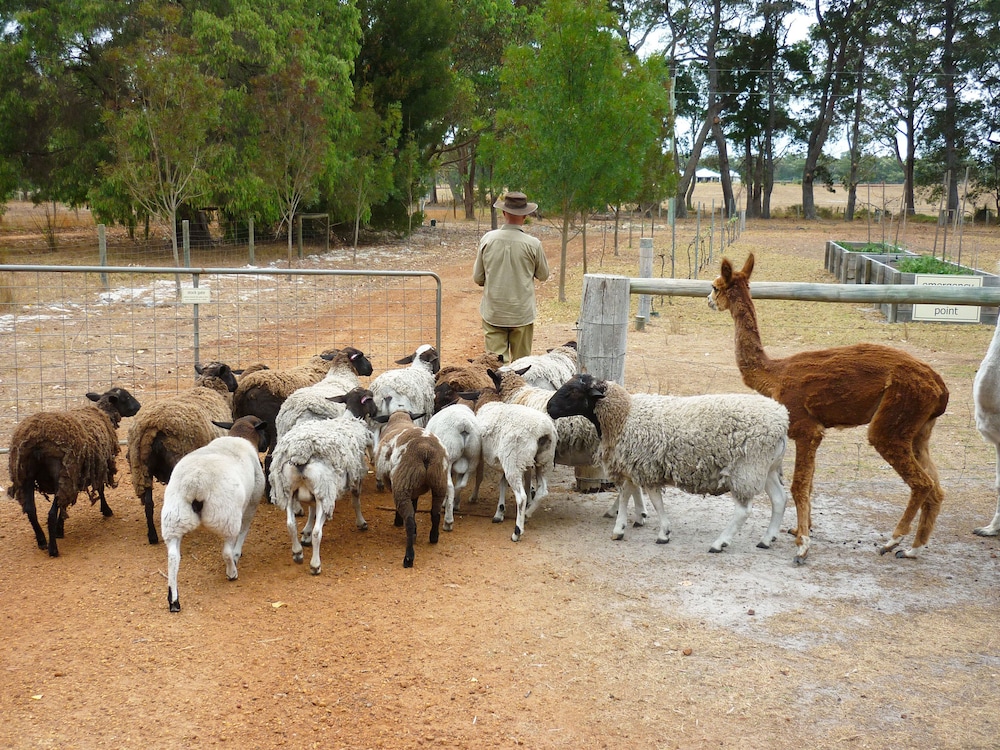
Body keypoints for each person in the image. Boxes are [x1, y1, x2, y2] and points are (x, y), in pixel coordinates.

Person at [473, 192, 550, 363]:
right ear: (525, 215)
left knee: (496, 366)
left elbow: (478, 277)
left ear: (504, 213)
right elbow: (543, 275)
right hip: (522, 313)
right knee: (522, 366)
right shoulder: (533, 244)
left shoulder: (487, 240)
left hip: (494, 311)